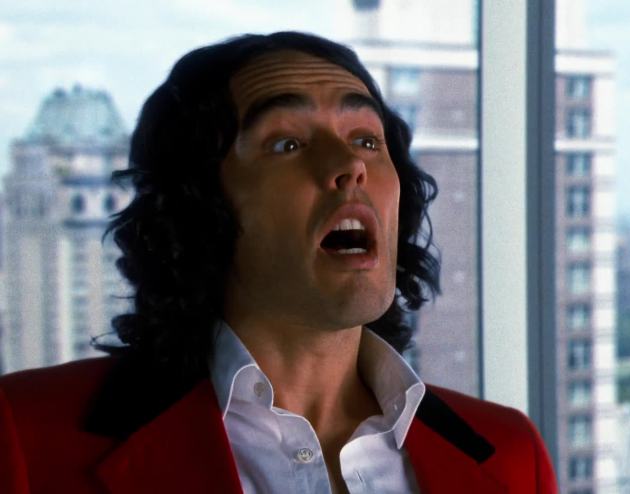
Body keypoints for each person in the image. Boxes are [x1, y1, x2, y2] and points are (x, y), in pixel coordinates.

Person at [0, 32, 557, 493]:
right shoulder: (26, 434)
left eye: (367, 140)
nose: (350, 165)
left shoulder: (509, 454)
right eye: (287, 144)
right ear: (199, 206)